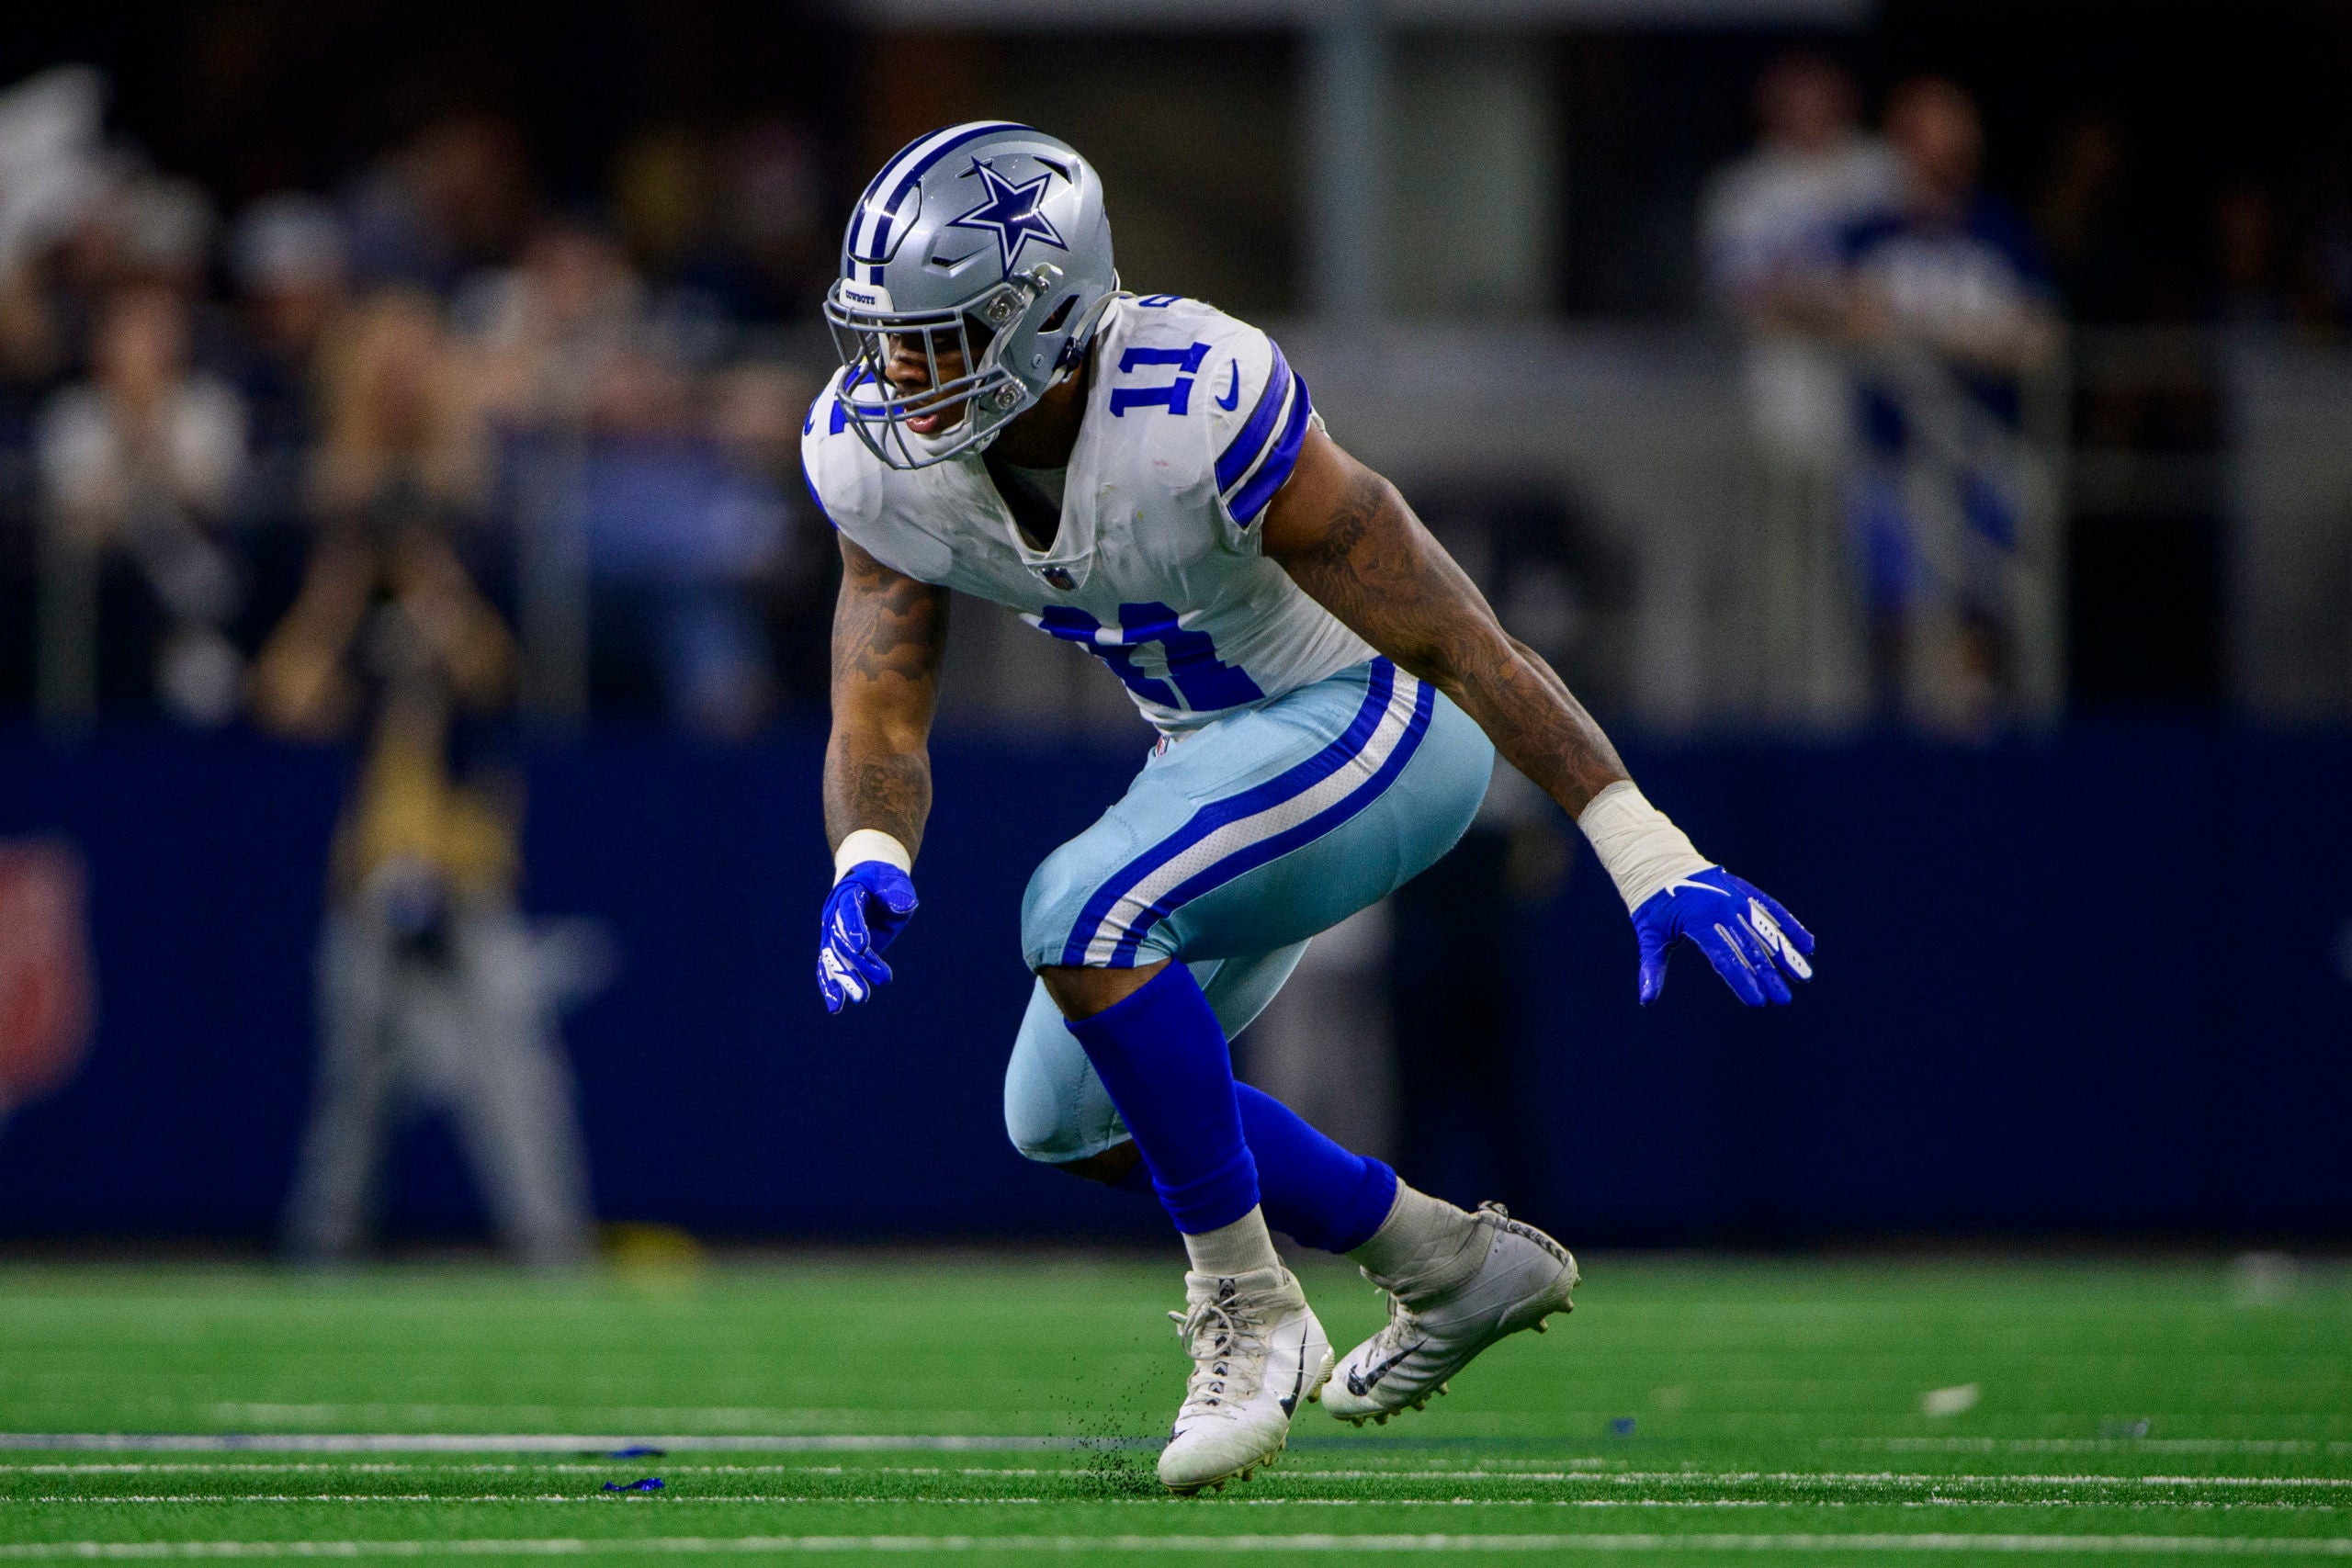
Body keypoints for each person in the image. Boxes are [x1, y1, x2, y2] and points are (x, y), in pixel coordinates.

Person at [801, 125, 1815, 1495]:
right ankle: (1446, 1261)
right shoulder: (881, 459)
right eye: (890, 338)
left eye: (941, 337)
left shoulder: (1197, 399)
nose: (899, 376)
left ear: (1047, 316)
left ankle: (1251, 1306)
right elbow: (879, 693)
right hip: (1208, 761)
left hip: (1385, 726)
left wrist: (1642, 842)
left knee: (1079, 908)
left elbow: (1462, 638)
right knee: (1063, 1113)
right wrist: (868, 847)